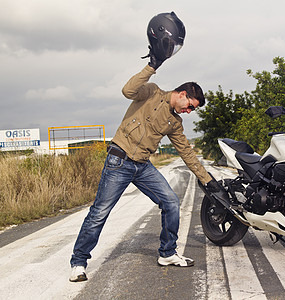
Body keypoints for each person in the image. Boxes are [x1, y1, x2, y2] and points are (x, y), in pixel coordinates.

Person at [69, 12, 225, 282]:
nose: (188, 112)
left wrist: (208, 181)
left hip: (142, 167)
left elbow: (187, 153)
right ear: (182, 94)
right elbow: (128, 91)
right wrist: (152, 65)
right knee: (99, 213)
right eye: (190, 106)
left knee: (171, 202)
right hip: (119, 162)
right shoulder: (151, 91)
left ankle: (167, 252)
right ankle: (78, 262)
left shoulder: (175, 123)